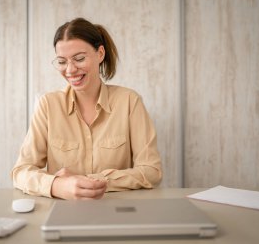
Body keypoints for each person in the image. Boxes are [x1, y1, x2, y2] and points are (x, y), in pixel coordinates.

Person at [11, 18, 162, 200]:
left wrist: (93, 181)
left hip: (115, 210)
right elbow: (20, 172)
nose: (70, 70)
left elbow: (151, 171)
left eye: (79, 59)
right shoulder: (48, 105)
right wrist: (57, 186)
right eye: (61, 61)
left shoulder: (129, 102)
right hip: (62, 212)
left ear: (100, 53)